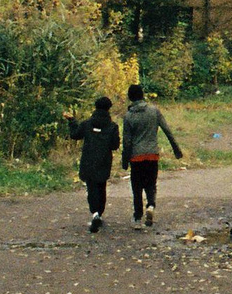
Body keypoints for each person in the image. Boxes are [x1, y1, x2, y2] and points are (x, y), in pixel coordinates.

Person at [120, 82, 183, 226]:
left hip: (136, 157)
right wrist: (176, 149)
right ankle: (151, 205)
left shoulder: (128, 116)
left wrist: (125, 160)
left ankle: (137, 217)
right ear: (142, 95)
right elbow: (167, 130)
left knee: (136, 187)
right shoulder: (154, 111)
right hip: (152, 155)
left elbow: (127, 141)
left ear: (130, 97)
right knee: (151, 183)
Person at [64, 95, 121, 234]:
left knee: (91, 187)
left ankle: (94, 213)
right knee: (101, 187)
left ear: (95, 107)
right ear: (109, 108)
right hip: (104, 161)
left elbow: (75, 135)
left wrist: (72, 121)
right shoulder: (113, 126)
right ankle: (99, 213)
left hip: (88, 160)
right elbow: (115, 145)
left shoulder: (87, 124)